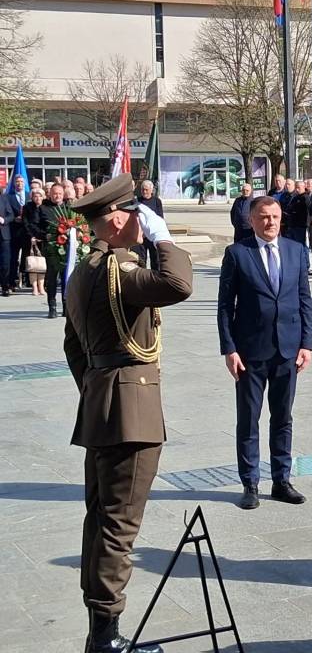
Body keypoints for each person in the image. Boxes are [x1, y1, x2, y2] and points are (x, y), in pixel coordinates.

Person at [64, 175, 193, 653]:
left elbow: (72, 345)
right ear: (118, 220)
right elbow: (178, 284)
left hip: (101, 406)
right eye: (138, 216)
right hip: (131, 410)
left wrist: (99, 386)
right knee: (120, 524)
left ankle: (98, 626)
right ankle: (106, 637)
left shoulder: (82, 273)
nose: (143, 224)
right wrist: (163, 238)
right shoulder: (119, 270)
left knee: (99, 519)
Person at [217, 196, 312, 510]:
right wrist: (229, 349)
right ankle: (250, 484)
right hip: (250, 352)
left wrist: (307, 344)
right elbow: (224, 307)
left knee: (282, 418)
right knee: (248, 420)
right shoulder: (237, 253)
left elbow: (304, 301)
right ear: (251, 220)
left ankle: (281, 480)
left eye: (275, 216)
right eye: (264, 217)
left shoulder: (297, 251)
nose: (271, 222)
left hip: (288, 349)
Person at [36, 184, 68, 317]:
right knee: (52, 278)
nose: (57, 196)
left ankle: (66, 307)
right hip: (51, 249)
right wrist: (44, 235)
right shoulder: (43, 209)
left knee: (66, 278)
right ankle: (52, 306)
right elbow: (33, 225)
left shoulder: (69, 208)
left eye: (60, 193)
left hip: (67, 249)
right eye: (55, 193)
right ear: (50, 194)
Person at [8, 172, 29, 291]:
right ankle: (12, 282)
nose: (19, 184)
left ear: (25, 183)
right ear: (14, 183)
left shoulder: (29, 195)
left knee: (26, 259)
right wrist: (13, 219)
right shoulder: (8, 197)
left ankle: (27, 281)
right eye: (17, 182)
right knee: (13, 259)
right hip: (13, 232)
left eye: (21, 181)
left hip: (26, 233)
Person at [23, 188, 46, 296]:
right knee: (33, 264)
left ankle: (41, 286)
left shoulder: (46, 207)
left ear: (43, 197)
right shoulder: (27, 207)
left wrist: (42, 236)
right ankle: (34, 287)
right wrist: (31, 237)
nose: (38, 198)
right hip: (30, 239)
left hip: (43, 238)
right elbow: (25, 223)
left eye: (40, 196)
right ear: (32, 197)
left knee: (42, 264)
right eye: (35, 196)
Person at [136, 181, 164, 271]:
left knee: (155, 259)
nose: (145, 192)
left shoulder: (157, 201)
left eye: (147, 190)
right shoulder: (137, 201)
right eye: (143, 190)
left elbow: (160, 217)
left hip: (153, 235)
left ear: (151, 190)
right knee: (141, 259)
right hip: (142, 235)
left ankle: (154, 279)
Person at [284, 180, 309, 246]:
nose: (297, 190)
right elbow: (289, 208)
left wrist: (294, 209)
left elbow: (304, 210)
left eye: (299, 188)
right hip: (293, 224)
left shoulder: (305, 198)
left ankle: (304, 256)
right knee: (294, 244)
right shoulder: (295, 197)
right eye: (296, 188)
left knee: (301, 244)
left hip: (300, 225)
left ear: (303, 187)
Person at [0, 191, 15, 297]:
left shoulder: (4, 199)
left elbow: (11, 215)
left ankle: (5, 286)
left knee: (5, 262)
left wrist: (3, 220)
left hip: (3, 236)